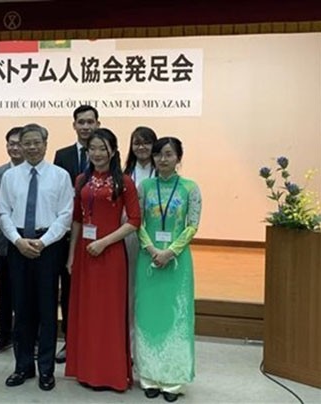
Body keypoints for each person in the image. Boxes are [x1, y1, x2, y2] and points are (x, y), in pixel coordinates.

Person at [0, 124, 73, 391]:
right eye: (25, 143)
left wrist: (42, 242)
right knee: (22, 308)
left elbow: (65, 216)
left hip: (47, 246)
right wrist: (18, 241)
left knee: (47, 310)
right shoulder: (10, 177)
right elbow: (3, 213)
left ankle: (45, 369)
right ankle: (23, 366)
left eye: (35, 142)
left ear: (45, 143)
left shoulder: (60, 176)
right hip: (18, 246)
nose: (30, 147)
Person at [65, 129, 141, 391]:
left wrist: (105, 242)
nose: (97, 154)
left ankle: (111, 374)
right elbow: (76, 218)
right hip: (86, 256)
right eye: (92, 149)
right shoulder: (81, 180)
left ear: (113, 150)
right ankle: (87, 371)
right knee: (87, 313)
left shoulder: (125, 182)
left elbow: (134, 221)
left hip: (110, 255)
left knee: (109, 314)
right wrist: (72, 254)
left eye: (102, 148)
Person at [134, 137, 202, 402]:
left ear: (178, 158)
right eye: (158, 155)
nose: (163, 159)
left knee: (177, 318)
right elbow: (136, 222)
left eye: (168, 154)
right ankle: (149, 377)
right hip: (148, 260)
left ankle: (173, 380)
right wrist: (152, 250)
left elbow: (192, 225)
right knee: (148, 317)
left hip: (177, 262)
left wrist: (170, 251)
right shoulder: (145, 187)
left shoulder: (190, 188)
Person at [52, 104, 100, 363]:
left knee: (96, 290)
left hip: (99, 236)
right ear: (74, 125)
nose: (85, 126)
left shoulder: (106, 153)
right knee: (68, 290)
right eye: (80, 122)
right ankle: (69, 342)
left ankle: (94, 340)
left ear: (98, 124)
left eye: (90, 122)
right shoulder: (62, 155)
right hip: (67, 233)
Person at [0, 126, 24, 356]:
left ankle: (28, 334)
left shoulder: (44, 173)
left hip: (30, 241)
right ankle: (5, 333)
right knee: (6, 289)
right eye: (11, 143)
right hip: (3, 243)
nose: (15, 147)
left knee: (29, 290)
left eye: (19, 142)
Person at [122, 126, 158, 357]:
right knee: (130, 290)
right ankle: (130, 347)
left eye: (146, 142)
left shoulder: (162, 174)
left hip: (154, 239)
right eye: (137, 143)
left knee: (150, 290)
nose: (141, 147)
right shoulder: (124, 173)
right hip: (127, 237)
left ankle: (149, 344)